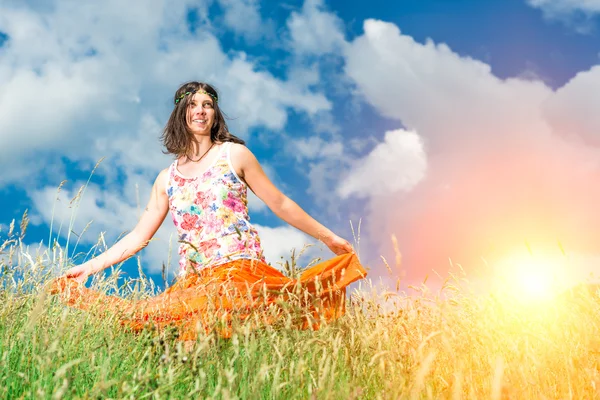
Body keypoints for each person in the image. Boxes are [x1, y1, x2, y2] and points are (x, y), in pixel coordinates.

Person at [51, 81, 367, 343]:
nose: (200, 110)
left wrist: (329, 238)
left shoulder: (235, 155)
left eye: (207, 104)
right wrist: (88, 269)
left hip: (238, 270)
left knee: (235, 344)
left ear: (215, 114)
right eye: (192, 104)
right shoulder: (166, 179)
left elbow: (280, 203)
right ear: (180, 113)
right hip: (194, 281)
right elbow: (138, 237)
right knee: (182, 351)